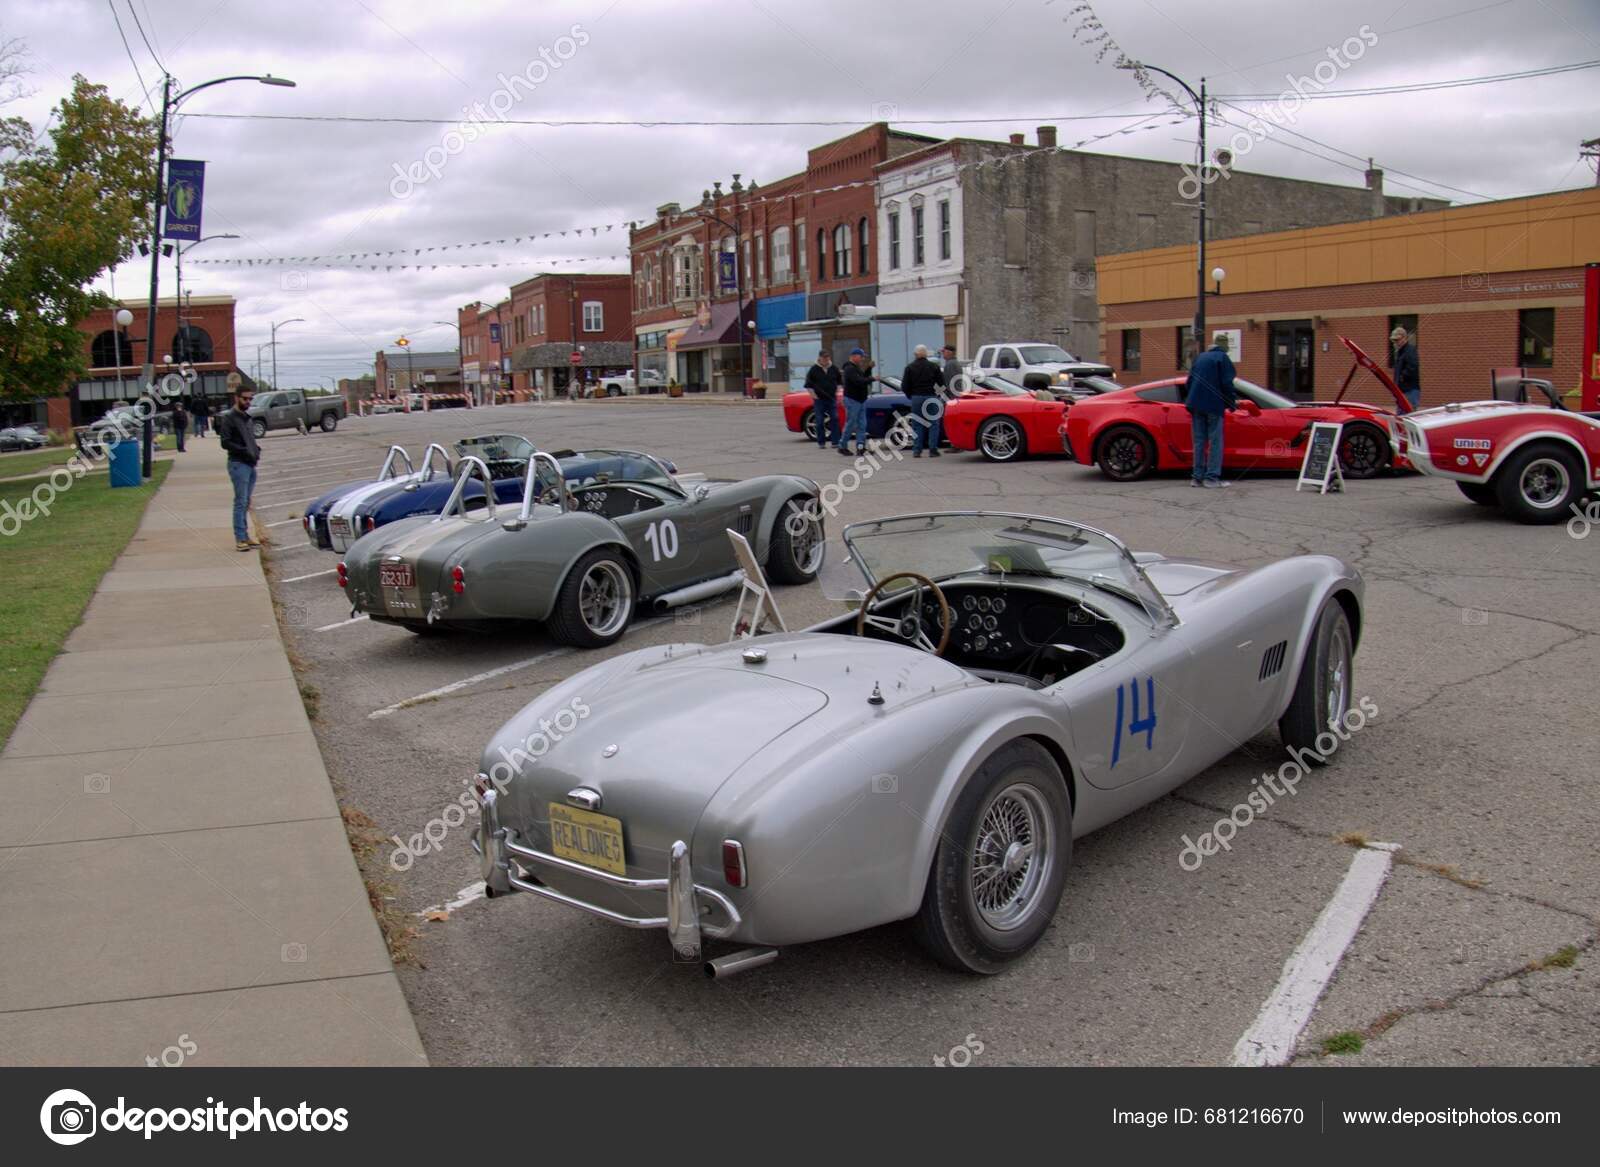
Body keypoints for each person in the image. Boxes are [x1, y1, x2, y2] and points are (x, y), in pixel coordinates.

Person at [1184, 336, 1238, 488]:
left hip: (1195, 404)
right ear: (1224, 346)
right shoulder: (1222, 358)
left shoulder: (1200, 358)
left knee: (1199, 442)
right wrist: (1231, 403)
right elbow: (1227, 383)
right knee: (1215, 441)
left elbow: (1189, 382)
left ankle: (1196, 478)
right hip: (1213, 405)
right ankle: (1212, 478)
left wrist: (1193, 398)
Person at [216, 388, 261, 550]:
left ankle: (246, 536)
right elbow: (225, 442)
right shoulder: (230, 418)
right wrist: (243, 451)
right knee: (240, 502)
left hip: (250, 464)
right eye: (244, 399)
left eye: (250, 399)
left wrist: (256, 450)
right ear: (236, 398)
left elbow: (249, 438)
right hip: (238, 464)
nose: (248, 402)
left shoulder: (246, 417)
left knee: (246, 501)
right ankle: (240, 538)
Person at [901, 343, 947, 458]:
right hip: (931, 396)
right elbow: (942, 383)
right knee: (934, 424)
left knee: (917, 424)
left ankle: (917, 450)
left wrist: (911, 395)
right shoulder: (934, 366)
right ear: (926, 354)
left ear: (915, 354)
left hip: (916, 397)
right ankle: (933, 449)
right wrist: (937, 395)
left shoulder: (909, 367)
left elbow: (904, 386)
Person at [838, 348, 874, 456]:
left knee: (862, 425)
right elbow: (858, 381)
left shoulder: (856, 368)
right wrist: (872, 379)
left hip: (861, 399)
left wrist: (869, 368)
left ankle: (860, 447)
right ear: (854, 356)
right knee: (851, 424)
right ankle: (842, 446)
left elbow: (862, 377)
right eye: (861, 356)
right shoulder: (849, 368)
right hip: (853, 400)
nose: (862, 359)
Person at [803, 350, 842, 449]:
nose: (826, 359)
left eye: (827, 357)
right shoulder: (813, 369)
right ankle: (821, 442)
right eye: (824, 357)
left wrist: (837, 392)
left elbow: (840, 382)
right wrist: (814, 396)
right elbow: (808, 385)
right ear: (819, 358)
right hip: (819, 400)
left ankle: (835, 442)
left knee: (835, 418)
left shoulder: (834, 368)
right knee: (819, 421)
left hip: (832, 398)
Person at [1391, 326, 1420, 410]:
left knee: (1408, 415)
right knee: (1401, 417)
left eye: (1397, 340)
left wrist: (1402, 377)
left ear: (1404, 338)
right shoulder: (1400, 352)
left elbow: (1413, 366)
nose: (1395, 342)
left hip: (1410, 391)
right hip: (1402, 391)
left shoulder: (1410, 350)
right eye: (1394, 340)